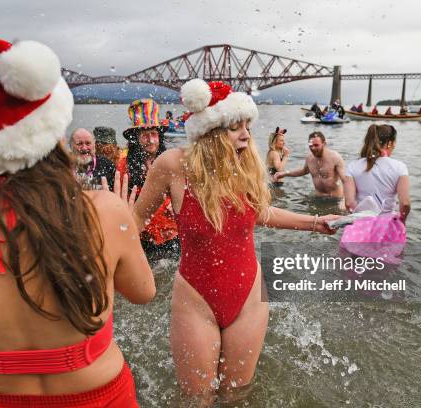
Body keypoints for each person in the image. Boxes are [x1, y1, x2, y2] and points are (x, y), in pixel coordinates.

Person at [0, 37, 154, 407]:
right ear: (52, 128)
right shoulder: (104, 209)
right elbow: (144, 292)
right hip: (102, 396)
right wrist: (129, 225)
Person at [122, 79, 339, 404]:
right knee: (197, 398)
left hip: (249, 297)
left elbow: (260, 212)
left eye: (246, 126)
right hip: (195, 299)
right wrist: (112, 231)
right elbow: (135, 222)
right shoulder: (172, 166)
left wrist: (314, 222)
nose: (246, 135)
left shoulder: (244, 166)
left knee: (237, 396)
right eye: (235, 126)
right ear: (210, 130)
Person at [117, 99, 180, 262]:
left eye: (154, 134)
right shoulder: (124, 166)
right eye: (145, 135)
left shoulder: (172, 161)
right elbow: (119, 201)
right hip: (142, 238)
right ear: (135, 139)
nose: (151, 140)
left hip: (172, 236)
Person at [342, 124, 410, 262]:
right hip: (387, 227)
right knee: (385, 272)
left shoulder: (353, 166)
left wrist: (361, 220)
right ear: (390, 143)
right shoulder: (399, 167)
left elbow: (349, 203)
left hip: (360, 227)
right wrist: (402, 221)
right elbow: (405, 203)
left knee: (353, 270)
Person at [273, 131, 349, 199]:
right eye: (311, 145)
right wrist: (284, 173)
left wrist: (345, 200)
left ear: (324, 144)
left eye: (316, 145)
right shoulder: (310, 159)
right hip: (318, 198)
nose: (313, 148)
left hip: (335, 199)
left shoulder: (335, 158)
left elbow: (345, 180)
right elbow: (304, 171)